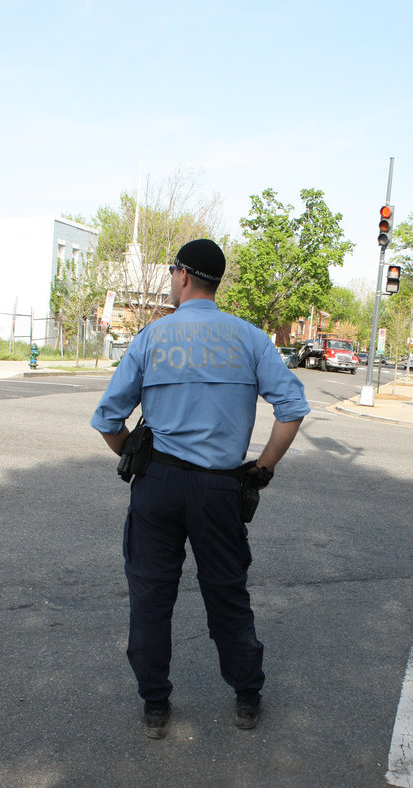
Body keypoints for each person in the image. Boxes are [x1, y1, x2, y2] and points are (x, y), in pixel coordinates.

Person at [91, 239, 310, 739]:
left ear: (184, 275)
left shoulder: (151, 338)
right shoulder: (251, 339)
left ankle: (155, 706)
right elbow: (292, 410)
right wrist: (262, 468)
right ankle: (247, 697)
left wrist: (135, 456)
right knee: (227, 595)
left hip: (157, 486)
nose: (171, 279)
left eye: (172, 272)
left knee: (150, 597)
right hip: (220, 489)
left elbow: (107, 419)